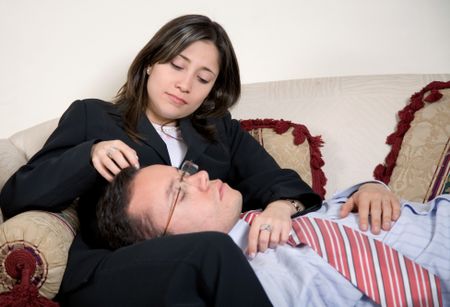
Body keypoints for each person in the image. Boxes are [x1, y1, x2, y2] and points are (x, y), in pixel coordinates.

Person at [0, 14, 398, 305]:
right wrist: (88, 156)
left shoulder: (218, 129)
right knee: (211, 249)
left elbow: (273, 179)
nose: (185, 84)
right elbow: (19, 195)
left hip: (200, 270)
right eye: (177, 65)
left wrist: (280, 206)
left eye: (203, 78)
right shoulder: (94, 116)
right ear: (152, 62)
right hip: (114, 268)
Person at [96, 163, 449, 306]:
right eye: (181, 192)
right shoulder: (266, 285)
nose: (201, 175)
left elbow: (332, 207)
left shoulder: (269, 212)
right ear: (164, 246)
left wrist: (372, 187)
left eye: (185, 173)